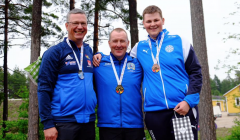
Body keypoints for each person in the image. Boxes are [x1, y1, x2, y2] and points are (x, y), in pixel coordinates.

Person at [93, 5, 202, 140]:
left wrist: (189, 101)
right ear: (144, 23)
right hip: (154, 113)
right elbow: (121, 59)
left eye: (156, 20)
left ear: (162, 20)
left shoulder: (180, 42)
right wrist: (99, 55)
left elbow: (196, 72)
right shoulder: (139, 48)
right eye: (149, 21)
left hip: (180, 109)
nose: (152, 24)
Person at [38, 9, 96, 140]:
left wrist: (100, 55)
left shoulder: (88, 50)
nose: (80, 27)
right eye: (75, 23)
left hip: (88, 121)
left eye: (83, 23)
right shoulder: (54, 53)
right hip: (63, 122)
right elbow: (43, 89)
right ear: (67, 26)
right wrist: (47, 124)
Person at [93, 28, 145, 140]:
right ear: (109, 43)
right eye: (115, 41)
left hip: (134, 125)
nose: (118, 45)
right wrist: (98, 54)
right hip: (108, 125)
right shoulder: (98, 64)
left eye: (122, 41)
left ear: (128, 43)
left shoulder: (138, 64)